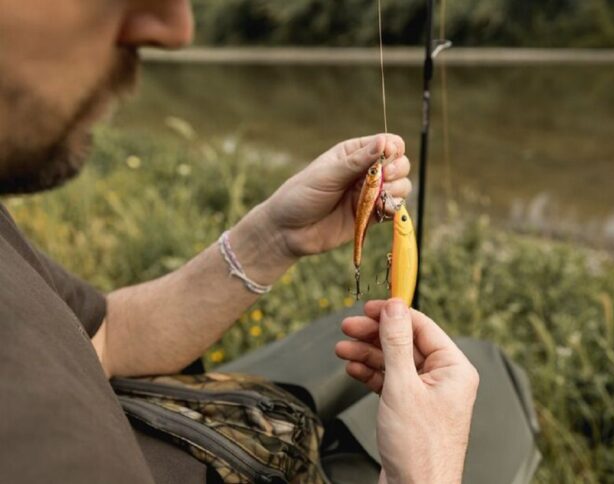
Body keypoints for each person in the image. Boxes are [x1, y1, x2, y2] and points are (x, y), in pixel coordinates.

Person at [0, 1, 539, 482]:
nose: (175, 26)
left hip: (209, 433)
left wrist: (274, 237)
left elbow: (104, 338)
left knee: (444, 357)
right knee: (487, 383)